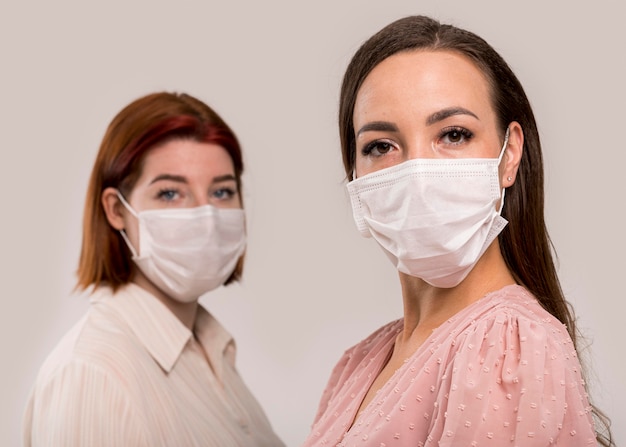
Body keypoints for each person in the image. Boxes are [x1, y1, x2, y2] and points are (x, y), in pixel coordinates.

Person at [302, 15, 613, 447]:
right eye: (380, 146)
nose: (418, 173)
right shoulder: (358, 364)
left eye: (453, 134)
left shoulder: (511, 349)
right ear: (354, 173)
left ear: (509, 155)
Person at [23, 92, 285, 446]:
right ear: (116, 210)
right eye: (170, 194)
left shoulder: (213, 351)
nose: (205, 216)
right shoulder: (93, 374)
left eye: (222, 192)